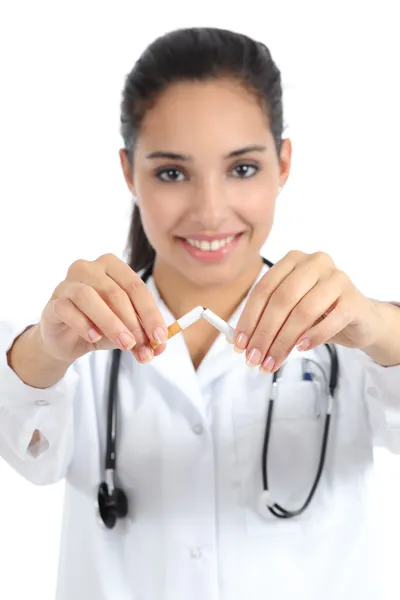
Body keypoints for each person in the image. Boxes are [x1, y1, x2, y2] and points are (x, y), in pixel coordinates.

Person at [1, 26, 400, 600]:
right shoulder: (84, 343)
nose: (211, 212)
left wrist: (380, 324)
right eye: (171, 173)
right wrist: (45, 346)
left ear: (283, 164)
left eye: (242, 168)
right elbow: (21, 438)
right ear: (127, 172)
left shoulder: (347, 336)